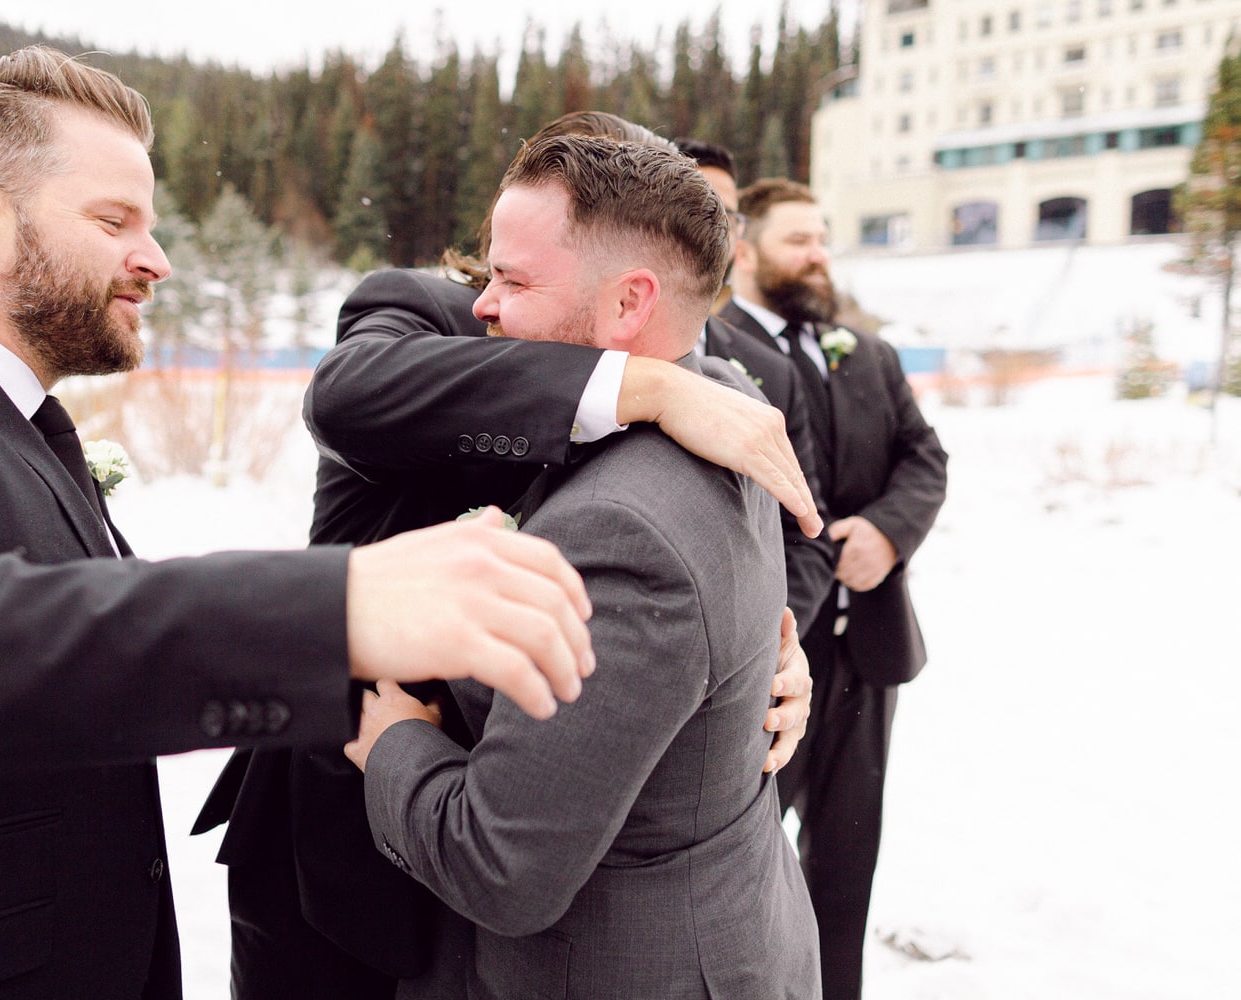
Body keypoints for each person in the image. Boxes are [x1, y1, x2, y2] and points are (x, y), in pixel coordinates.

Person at [0, 47, 598, 1000]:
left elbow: (62, 673)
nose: (157, 259)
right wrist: (340, 608)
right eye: (114, 221)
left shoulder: (15, 426)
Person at [196, 110, 821, 1000]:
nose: (491, 298)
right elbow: (345, 397)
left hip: (522, 867)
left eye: (515, 276)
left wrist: (763, 656)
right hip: (335, 851)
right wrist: (628, 383)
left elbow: (706, 568)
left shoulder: (720, 391)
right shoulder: (431, 314)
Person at [720, 176, 949, 1000]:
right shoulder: (716, 352)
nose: (819, 255)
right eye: (798, 240)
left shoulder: (868, 352)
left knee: (847, 866)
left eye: (823, 238)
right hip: (772, 661)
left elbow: (926, 458)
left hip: (872, 651)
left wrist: (888, 534)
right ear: (743, 252)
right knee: (739, 865)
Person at [676, 136, 834, 632]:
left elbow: (804, 531)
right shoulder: (591, 344)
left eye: (728, 215)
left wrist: (767, 648)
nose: (716, 229)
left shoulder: (769, 369)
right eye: (697, 207)